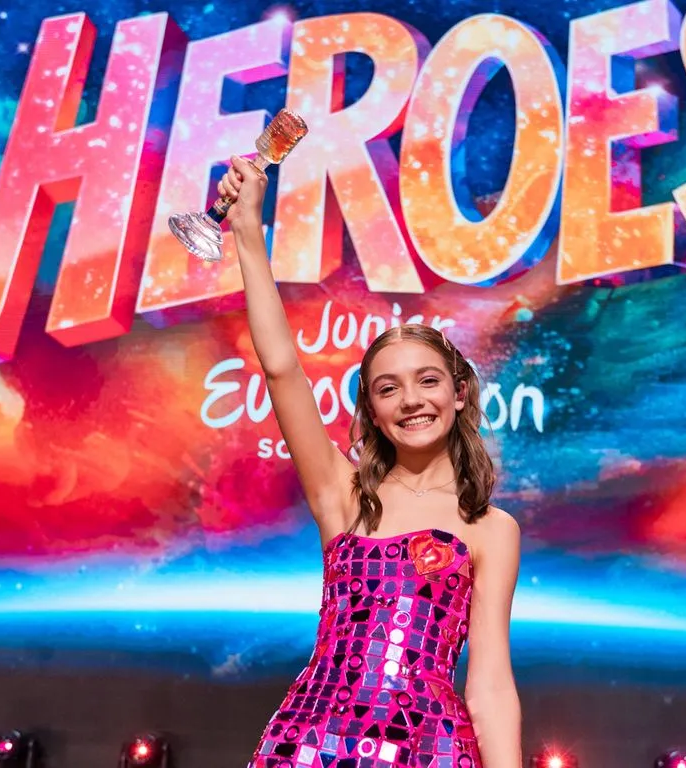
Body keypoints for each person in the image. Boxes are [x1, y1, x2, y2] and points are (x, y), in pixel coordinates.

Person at [219, 155, 522, 768]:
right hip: (313, 741)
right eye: (389, 389)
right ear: (373, 413)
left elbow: (490, 686)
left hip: (429, 748)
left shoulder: (492, 529)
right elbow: (280, 369)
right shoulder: (343, 495)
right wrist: (247, 229)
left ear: (459, 393)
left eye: (428, 380)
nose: (411, 400)